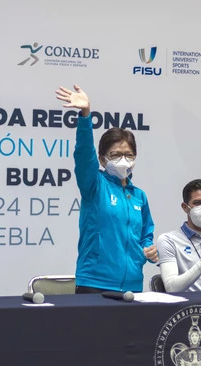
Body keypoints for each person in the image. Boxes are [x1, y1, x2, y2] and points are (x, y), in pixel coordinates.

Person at [55, 85, 156, 293]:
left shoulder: (139, 197)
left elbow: (146, 233)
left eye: (128, 155)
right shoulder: (94, 186)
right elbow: (84, 154)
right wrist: (85, 115)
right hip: (94, 283)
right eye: (116, 154)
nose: (123, 160)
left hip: (133, 285)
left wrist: (148, 249)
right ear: (102, 159)